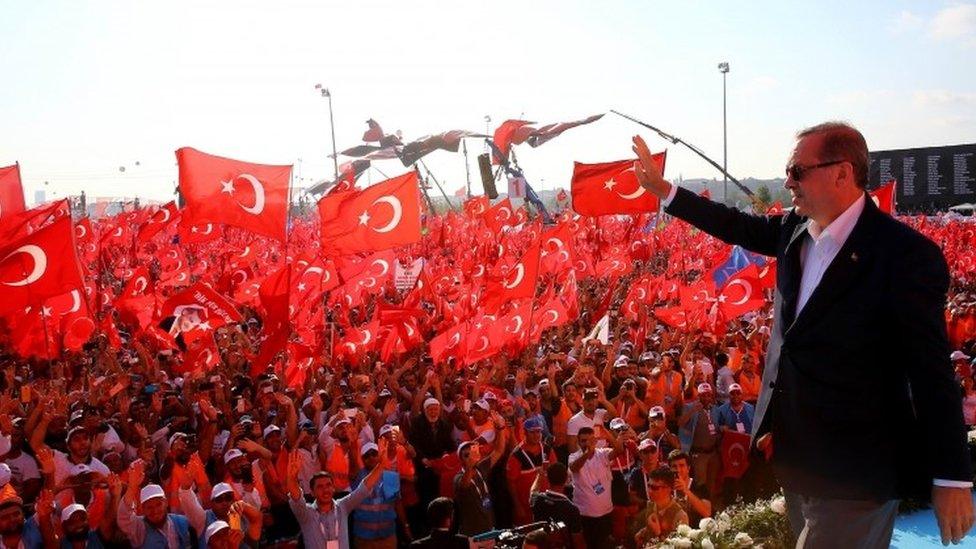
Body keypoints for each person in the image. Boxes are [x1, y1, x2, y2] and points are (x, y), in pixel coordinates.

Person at [633, 123, 975, 546]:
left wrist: (953, 477)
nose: (788, 181)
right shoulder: (795, 229)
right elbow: (735, 225)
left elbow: (931, 374)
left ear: (842, 173)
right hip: (798, 458)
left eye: (797, 170)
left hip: (857, 468)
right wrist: (664, 190)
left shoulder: (905, 255)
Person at [286, 437, 390, 549]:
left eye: (328, 485)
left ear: (333, 488)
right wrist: (291, 478)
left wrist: (381, 465)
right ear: (312, 492)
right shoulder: (306, 513)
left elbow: (363, 488)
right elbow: (296, 497)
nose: (325, 490)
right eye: (320, 487)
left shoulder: (343, 506)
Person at [568, 425, 629, 549]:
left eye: (590, 440)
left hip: (605, 514)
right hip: (585, 515)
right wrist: (586, 454)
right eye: (583, 440)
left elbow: (619, 450)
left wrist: (607, 433)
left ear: (595, 441)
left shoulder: (603, 454)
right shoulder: (573, 457)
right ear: (578, 442)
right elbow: (574, 467)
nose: (586, 443)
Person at [453, 411, 508, 536]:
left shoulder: (481, 467)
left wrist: (500, 428)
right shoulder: (459, 477)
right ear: (461, 460)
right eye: (466, 455)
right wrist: (469, 466)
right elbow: (464, 485)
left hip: (489, 526)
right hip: (472, 533)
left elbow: (499, 450)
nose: (470, 456)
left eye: (472, 452)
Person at [529, 462, 584, 549]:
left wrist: (540, 474)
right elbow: (578, 541)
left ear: (548, 478)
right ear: (566, 479)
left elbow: (533, 490)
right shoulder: (572, 509)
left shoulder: (537, 499)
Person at [632, 467, 688, 547]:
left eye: (655, 488)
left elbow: (679, 547)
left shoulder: (680, 516)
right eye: (649, 486)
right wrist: (643, 532)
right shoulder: (651, 505)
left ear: (669, 488)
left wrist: (658, 534)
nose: (650, 491)